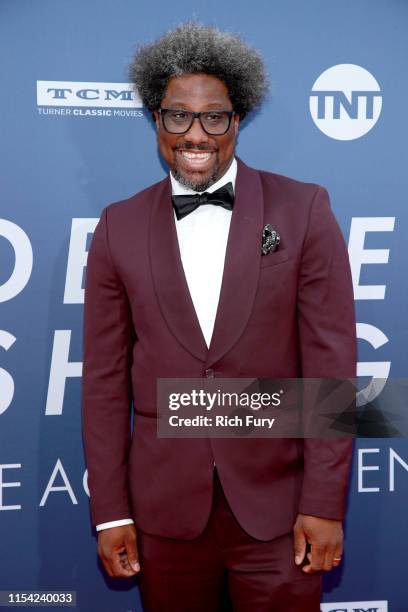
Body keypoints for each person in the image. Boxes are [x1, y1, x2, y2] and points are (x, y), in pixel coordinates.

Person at [82, 22, 356, 612]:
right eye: (178, 116)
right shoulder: (117, 226)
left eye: (215, 117)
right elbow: (104, 385)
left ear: (238, 119)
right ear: (157, 121)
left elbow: (331, 370)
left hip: (281, 514)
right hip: (162, 517)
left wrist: (325, 502)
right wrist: (111, 512)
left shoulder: (304, 209)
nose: (196, 134)